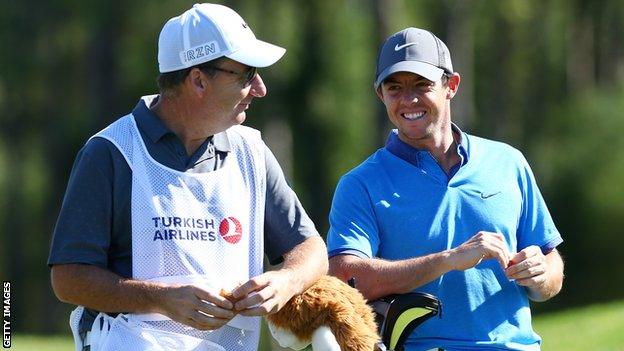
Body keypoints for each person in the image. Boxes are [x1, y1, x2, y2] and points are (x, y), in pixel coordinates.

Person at [47, 3, 327, 351]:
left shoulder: (252, 152)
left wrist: (285, 281)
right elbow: (68, 278)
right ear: (197, 80)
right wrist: (161, 299)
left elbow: (311, 249)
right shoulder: (111, 152)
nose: (259, 88)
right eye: (245, 74)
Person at [326, 27, 564, 351]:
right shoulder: (360, 184)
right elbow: (345, 278)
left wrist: (541, 272)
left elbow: (551, 268)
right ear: (380, 94)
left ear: (451, 86)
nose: (408, 100)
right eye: (394, 88)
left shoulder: (508, 162)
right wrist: (449, 259)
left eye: (421, 85)